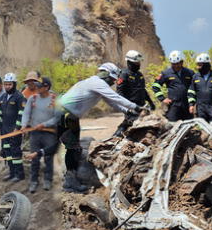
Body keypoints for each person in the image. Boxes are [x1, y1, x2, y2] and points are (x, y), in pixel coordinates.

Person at [25, 63, 141, 193]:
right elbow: (115, 97)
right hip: (66, 114)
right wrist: (135, 107)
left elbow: (112, 102)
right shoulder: (97, 83)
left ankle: (67, 179)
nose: (112, 83)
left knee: (72, 148)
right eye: (112, 79)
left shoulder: (92, 83)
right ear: (105, 74)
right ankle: (70, 184)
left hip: (67, 114)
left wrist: (127, 111)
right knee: (72, 149)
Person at [22, 77, 57, 193]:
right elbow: (26, 113)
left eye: (39, 86)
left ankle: (47, 180)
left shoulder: (54, 100)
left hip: (49, 133)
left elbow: (57, 118)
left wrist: (44, 124)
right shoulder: (32, 99)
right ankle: (34, 181)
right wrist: (24, 125)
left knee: (48, 157)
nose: (36, 88)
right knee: (34, 157)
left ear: (46, 87)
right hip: (35, 133)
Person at [0, 73, 27, 182]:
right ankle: (12, 173)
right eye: (6, 84)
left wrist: (17, 128)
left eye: (9, 84)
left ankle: (19, 174)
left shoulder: (19, 97)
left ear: (14, 84)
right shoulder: (3, 97)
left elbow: (22, 113)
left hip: (14, 130)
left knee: (15, 151)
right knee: (7, 151)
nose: (7, 86)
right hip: (4, 130)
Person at [114, 50, 155, 136]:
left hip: (141, 105)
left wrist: (150, 102)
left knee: (140, 125)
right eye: (136, 63)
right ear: (129, 62)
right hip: (131, 106)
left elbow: (143, 90)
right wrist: (127, 106)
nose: (138, 64)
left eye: (139, 62)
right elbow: (119, 93)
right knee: (130, 122)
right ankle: (115, 137)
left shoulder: (139, 75)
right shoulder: (124, 74)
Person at [151, 50, 195, 121]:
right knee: (172, 126)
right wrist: (162, 98)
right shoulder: (166, 73)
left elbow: (195, 87)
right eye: (173, 64)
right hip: (173, 105)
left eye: (177, 64)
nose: (175, 66)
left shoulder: (190, 73)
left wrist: (193, 103)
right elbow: (155, 86)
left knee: (189, 126)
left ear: (182, 62)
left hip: (187, 105)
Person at [188, 53, 212, 122]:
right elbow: (191, 92)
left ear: (206, 64)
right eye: (197, 65)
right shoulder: (195, 77)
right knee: (202, 129)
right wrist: (191, 105)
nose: (198, 67)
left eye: (200, 65)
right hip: (200, 109)